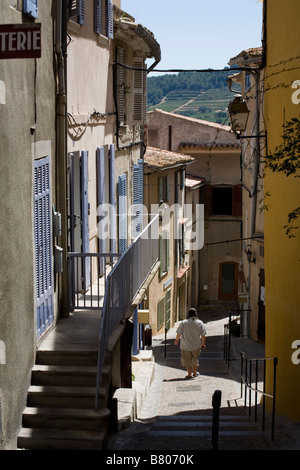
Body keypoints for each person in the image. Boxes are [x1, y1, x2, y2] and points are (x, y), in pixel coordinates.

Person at [174, 308, 206, 379]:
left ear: (188, 314)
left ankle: (189, 374)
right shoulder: (200, 323)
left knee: (187, 360)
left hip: (185, 345)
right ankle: (194, 373)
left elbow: (179, 333)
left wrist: (176, 340)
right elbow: (203, 335)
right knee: (195, 359)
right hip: (196, 345)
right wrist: (203, 344)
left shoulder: (183, 322)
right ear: (195, 314)